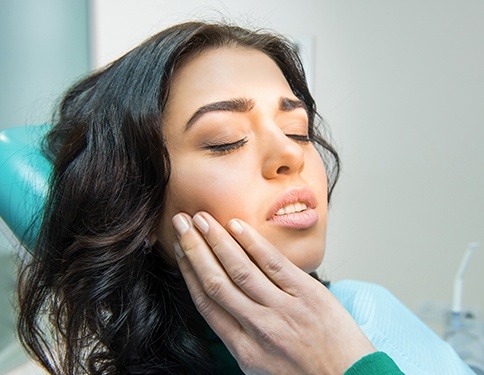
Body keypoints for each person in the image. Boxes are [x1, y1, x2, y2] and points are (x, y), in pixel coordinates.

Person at [16, 21, 472, 374]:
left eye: (298, 129)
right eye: (225, 140)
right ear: (139, 205)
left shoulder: (368, 316)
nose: (291, 152)